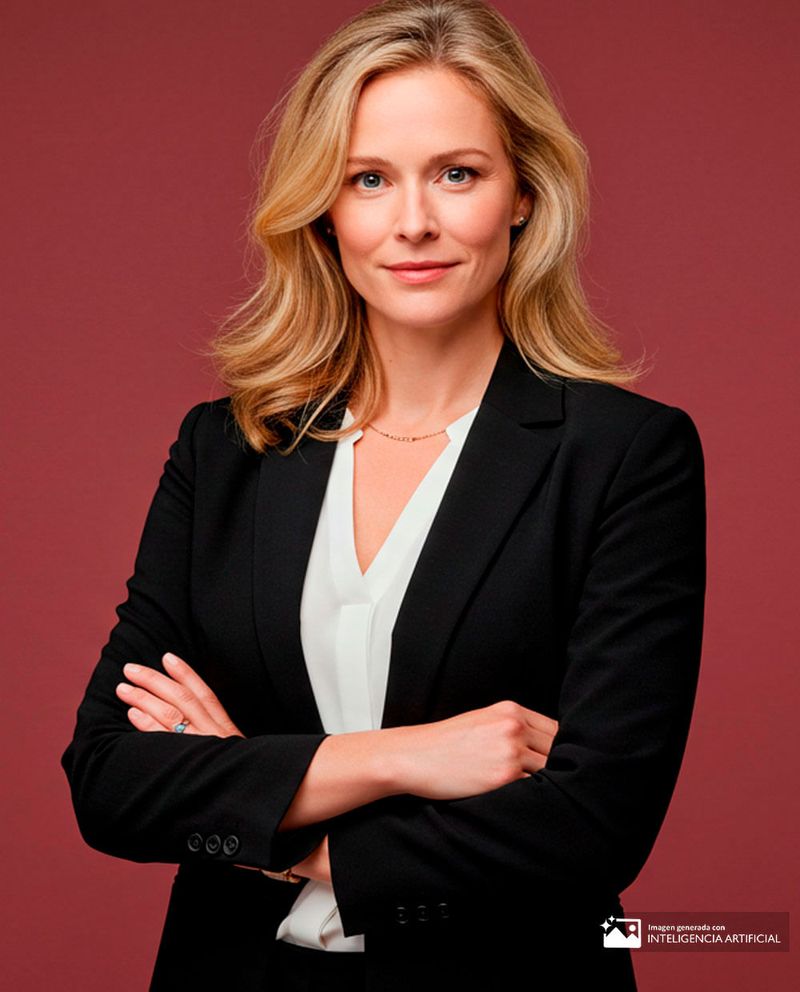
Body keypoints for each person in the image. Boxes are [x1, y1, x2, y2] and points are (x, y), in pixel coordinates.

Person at [61, 1, 706, 989]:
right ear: (324, 208)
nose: (413, 222)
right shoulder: (225, 448)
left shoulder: (625, 455)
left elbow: (593, 824)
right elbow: (109, 778)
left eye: (457, 173)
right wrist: (407, 756)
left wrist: (265, 812)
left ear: (523, 193)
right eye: (369, 178)